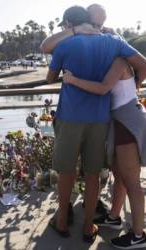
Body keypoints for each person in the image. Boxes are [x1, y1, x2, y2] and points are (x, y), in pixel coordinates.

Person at [44, 5, 146, 244]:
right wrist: (137, 85)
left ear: (69, 24)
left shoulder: (68, 44)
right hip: (102, 119)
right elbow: (142, 63)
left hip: (77, 116)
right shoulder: (113, 43)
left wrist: (68, 74)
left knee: (68, 170)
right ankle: (92, 225)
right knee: (96, 174)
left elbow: (49, 71)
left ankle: (62, 221)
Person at [63, 59, 146, 249]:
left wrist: (72, 80)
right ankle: (114, 217)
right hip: (118, 120)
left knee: (132, 182)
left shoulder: (118, 61)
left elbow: (102, 88)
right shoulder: (110, 62)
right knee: (120, 176)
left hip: (128, 120)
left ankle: (139, 235)